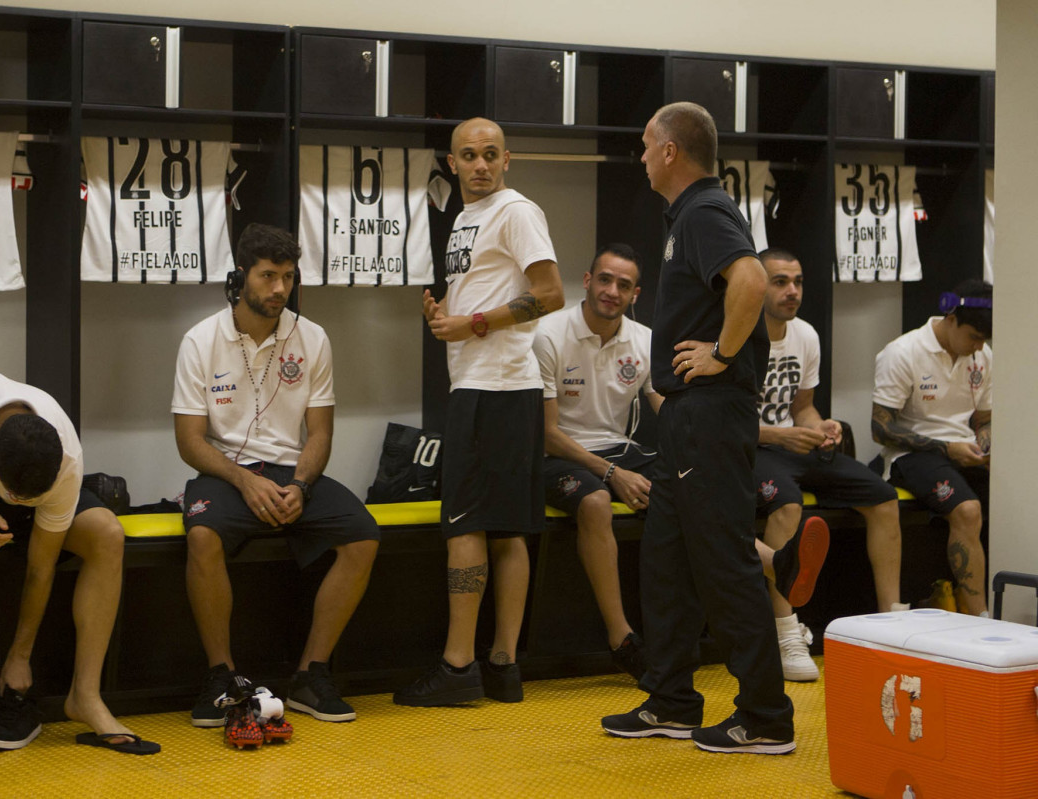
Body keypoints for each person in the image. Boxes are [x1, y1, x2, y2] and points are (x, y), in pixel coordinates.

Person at [537, 244, 829, 685]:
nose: (612, 291)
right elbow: (547, 434)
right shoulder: (548, 334)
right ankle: (623, 641)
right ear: (587, 280)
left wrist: (702, 460)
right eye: (605, 280)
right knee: (596, 502)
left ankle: (779, 564)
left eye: (623, 285)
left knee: (691, 488)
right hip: (559, 455)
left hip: (620, 450)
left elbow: (667, 406)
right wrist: (612, 473)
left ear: (636, 293)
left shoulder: (642, 338)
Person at [601, 102, 795, 755]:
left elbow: (751, 278)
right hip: (686, 417)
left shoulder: (706, 211)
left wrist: (721, 351)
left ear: (670, 152)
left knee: (724, 562)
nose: (640, 154)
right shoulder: (687, 216)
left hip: (710, 411)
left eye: (646, 143)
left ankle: (766, 714)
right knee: (668, 561)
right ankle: (673, 699)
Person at [0, 369, 159, 777]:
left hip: (28, 499)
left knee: (107, 533)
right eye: (16, 494)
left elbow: (41, 567)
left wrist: (19, 657)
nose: (18, 501)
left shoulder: (65, 456)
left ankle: (85, 695)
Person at [172, 223, 380, 725]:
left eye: (288, 277)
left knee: (363, 535)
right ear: (242, 275)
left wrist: (301, 486)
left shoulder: (313, 338)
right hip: (227, 474)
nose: (280, 289)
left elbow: (321, 434)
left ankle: (311, 673)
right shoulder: (201, 340)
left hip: (292, 473)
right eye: (268, 276)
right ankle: (221, 676)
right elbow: (190, 442)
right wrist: (245, 481)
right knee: (202, 535)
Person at [394, 117, 564, 706]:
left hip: (495, 386)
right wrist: (449, 313)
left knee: (466, 524)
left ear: (508, 158)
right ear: (452, 163)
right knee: (509, 527)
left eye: (491, 154)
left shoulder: (516, 211)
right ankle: (504, 665)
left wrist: (471, 323)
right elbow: (492, 294)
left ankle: (458, 663)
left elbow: (551, 294)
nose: (481, 165)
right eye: (469, 156)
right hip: (490, 384)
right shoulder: (467, 219)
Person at [754, 247, 905, 682]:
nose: (792, 291)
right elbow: (723, 425)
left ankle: (890, 622)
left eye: (798, 282)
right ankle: (785, 633)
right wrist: (783, 435)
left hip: (794, 444)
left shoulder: (806, 335)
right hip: (751, 450)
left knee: (883, 496)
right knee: (787, 505)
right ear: (759, 285)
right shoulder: (739, 336)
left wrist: (823, 427)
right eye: (781, 281)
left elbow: (803, 407)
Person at [871, 279, 993, 616]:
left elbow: (984, 419)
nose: (978, 346)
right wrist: (946, 448)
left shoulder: (983, 355)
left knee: (1011, 501)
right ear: (951, 319)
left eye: (984, 340)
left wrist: (986, 447)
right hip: (911, 455)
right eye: (973, 337)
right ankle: (978, 619)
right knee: (968, 509)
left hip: (963, 450)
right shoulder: (903, 352)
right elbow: (880, 429)